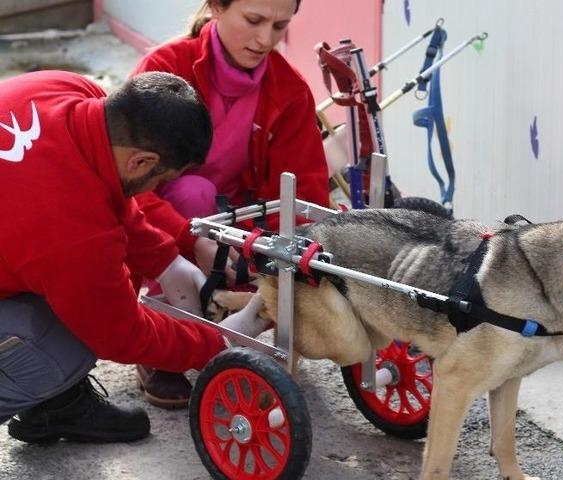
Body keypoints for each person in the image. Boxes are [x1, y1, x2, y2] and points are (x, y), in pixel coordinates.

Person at [0, 70, 266, 443]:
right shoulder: (72, 231)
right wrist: (219, 342)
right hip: (48, 235)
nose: (157, 187)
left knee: (75, 296)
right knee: (72, 341)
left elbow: (108, 190)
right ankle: (49, 398)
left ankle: (58, 405)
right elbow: (120, 334)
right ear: (141, 162)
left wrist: (165, 259)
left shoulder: (70, 91)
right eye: (161, 179)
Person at [130, 0, 329, 408]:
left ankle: (227, 324)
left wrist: (267, 254)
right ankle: (161, 333)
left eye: (280, 26)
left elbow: (302, 195)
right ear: (216, 7)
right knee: (193, 192)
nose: (265, 39)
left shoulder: (290, 91)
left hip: (239, 228)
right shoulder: (165, 70)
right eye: (253, 20)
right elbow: (129, 186)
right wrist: (191, 238)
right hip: (172, 223)